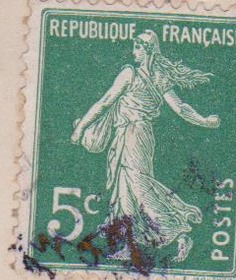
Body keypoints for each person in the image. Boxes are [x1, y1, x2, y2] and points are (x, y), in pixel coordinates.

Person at [70, 29, 220, 264]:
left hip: (133, 135)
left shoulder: (130, 74)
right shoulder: (159, 77)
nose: (134, 52)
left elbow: (105, 102)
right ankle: (130, 245)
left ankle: (177, 231)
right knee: (125, 190)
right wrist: (203, 120)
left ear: (148, 49)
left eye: (138, 47)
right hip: (137, 135)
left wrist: (80, 129)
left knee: (138, 187)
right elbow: (180, 108)